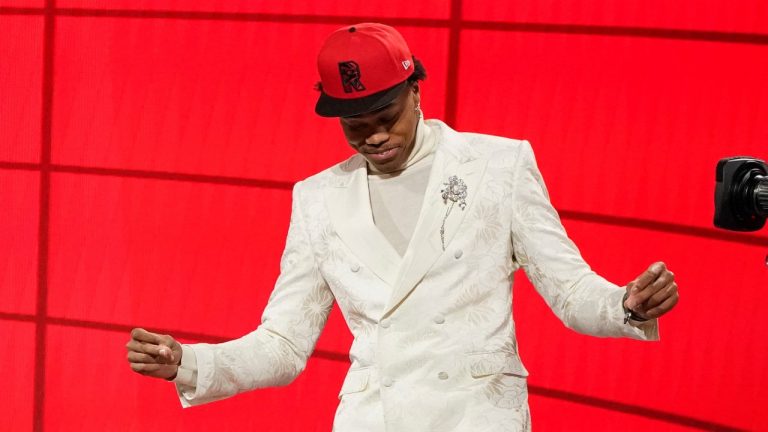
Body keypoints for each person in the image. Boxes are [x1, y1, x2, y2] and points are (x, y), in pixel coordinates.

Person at [126, 23, 679, 431]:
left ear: (416, 91)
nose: (374, 137)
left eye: (386, 117)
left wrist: (624, 304)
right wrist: (190, 362)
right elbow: (284, 344)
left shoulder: (499, 166)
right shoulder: (317, 198)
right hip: (374, 418)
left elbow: (570, 290)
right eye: (355, 126)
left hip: (476, 414)